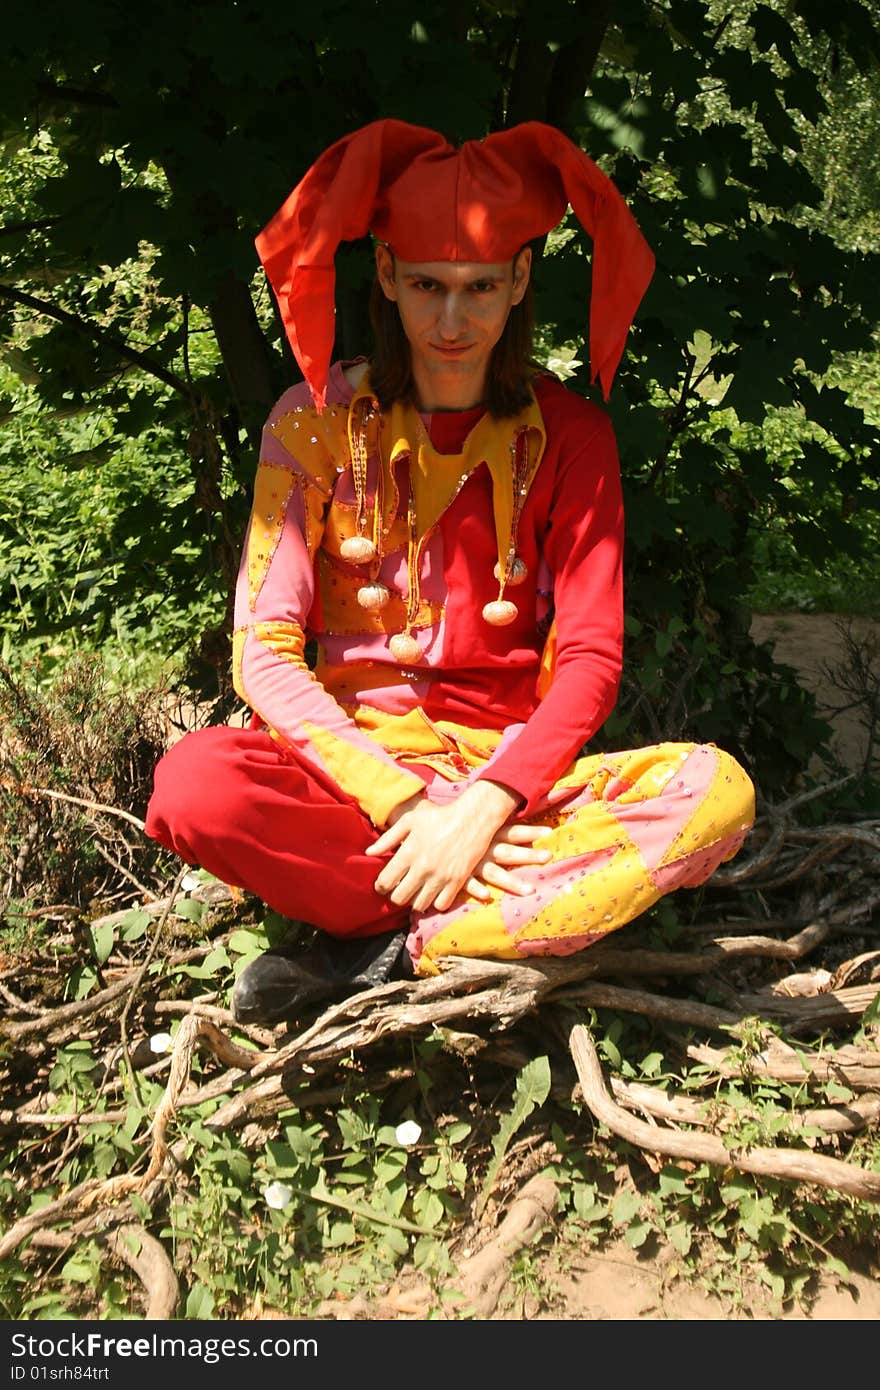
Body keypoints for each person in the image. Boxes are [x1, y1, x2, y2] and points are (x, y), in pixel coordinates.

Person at [145, 119, 755, 1025]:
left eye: (478, 288)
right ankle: (496, 916)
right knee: (196, 787)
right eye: (427, 286)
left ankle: (399, 946)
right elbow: (265, 656)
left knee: (716, 794)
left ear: (518, 283)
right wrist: (409, 807)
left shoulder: (576, 438)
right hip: (357, 792)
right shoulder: (309, 424)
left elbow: (589, 661)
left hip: (509, 799)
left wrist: (476, 815)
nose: (452, 320)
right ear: (386, 278)